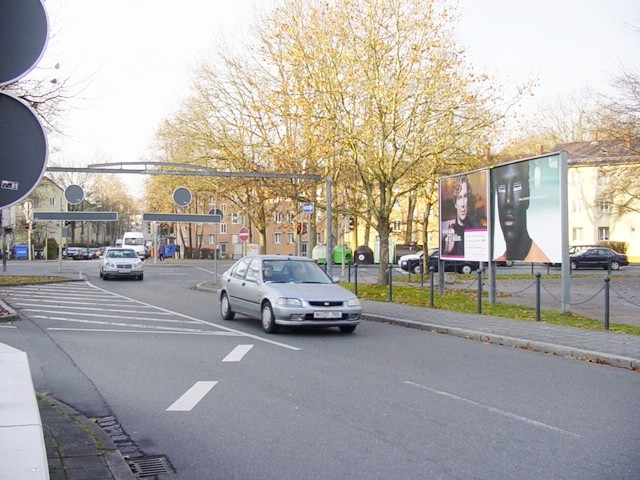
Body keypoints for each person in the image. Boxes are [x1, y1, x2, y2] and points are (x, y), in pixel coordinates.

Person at [494, 161, 551, 262]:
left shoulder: (542, 261)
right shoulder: (498, 260)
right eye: (501, 189)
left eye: (516, 187)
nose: (508, 201)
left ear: (527, 195)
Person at [441, 175, 481, 256]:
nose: (463, 204)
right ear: (455, 203)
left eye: (465, 197)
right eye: (459, 198)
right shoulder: (450, 232)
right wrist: (447, 251)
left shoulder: (478, 228)